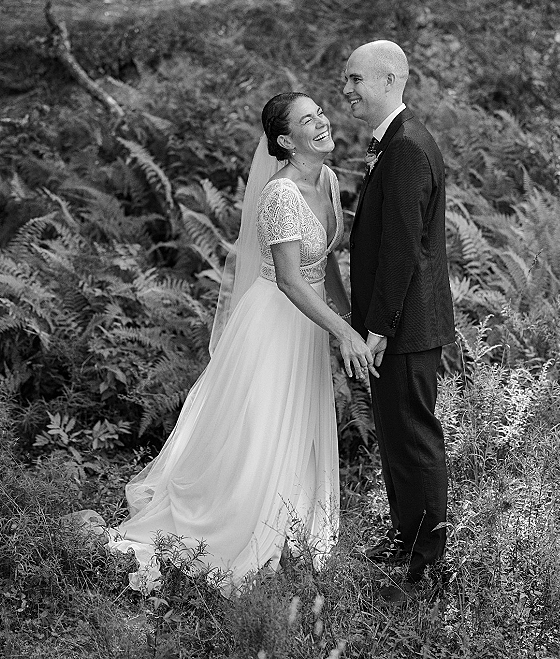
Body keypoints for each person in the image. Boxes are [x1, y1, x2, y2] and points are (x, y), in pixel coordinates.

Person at [108, 91, 374, 596]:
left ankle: (291, 517)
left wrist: (349, 323)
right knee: (264, 423)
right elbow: (294, 281)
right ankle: (239, 517)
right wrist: (343, 333)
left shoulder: (330, 180)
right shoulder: (280, 195)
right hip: (276, 320)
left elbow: (327, 264)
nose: (321, 122)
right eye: (306, 120)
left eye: (321, 113)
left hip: (311, 321)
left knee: (299, 420)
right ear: (284, 140)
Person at [342, 40, 455, 601]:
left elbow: (402, 249)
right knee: (394, 437)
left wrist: (378, 328)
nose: (347, 90)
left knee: (413, 439)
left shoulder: (407, 147)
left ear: (388, 80)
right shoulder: (397, 142)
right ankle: (406, 537)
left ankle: (427, 564)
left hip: (405, 328)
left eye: (355, 79)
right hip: (399, 324)